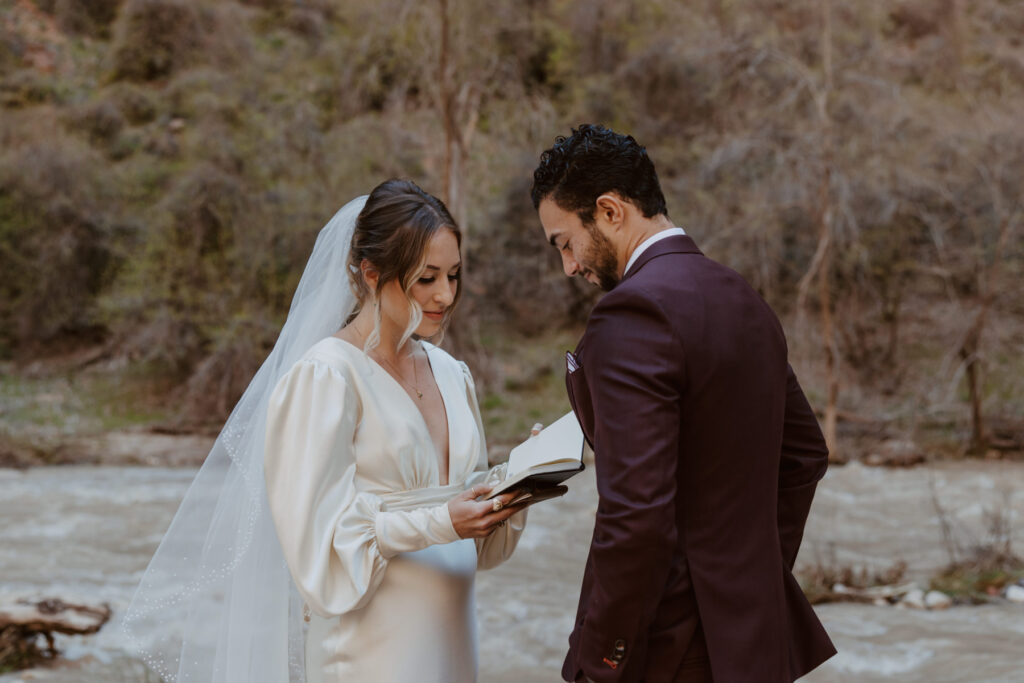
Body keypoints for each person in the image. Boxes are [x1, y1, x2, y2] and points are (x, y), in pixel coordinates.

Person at [123, 179, 526, 683]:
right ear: (371, 274)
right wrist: (442, 520)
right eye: (426, 278)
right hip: (369, 651)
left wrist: (518, 484)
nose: (446, 294)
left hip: (451, 641)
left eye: (454, 275)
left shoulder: (452, 373)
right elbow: (319, 547)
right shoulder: (327, 377)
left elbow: (476, 536)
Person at [530, 125, 836, 683]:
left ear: (609, 210)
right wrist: (747, 580)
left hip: (668, 653)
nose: (569, 266)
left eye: (565, 242)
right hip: (752, 644)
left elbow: (636, 513)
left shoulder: (632, 314)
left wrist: (602, 661)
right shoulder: (743, 298)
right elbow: (804, 458)